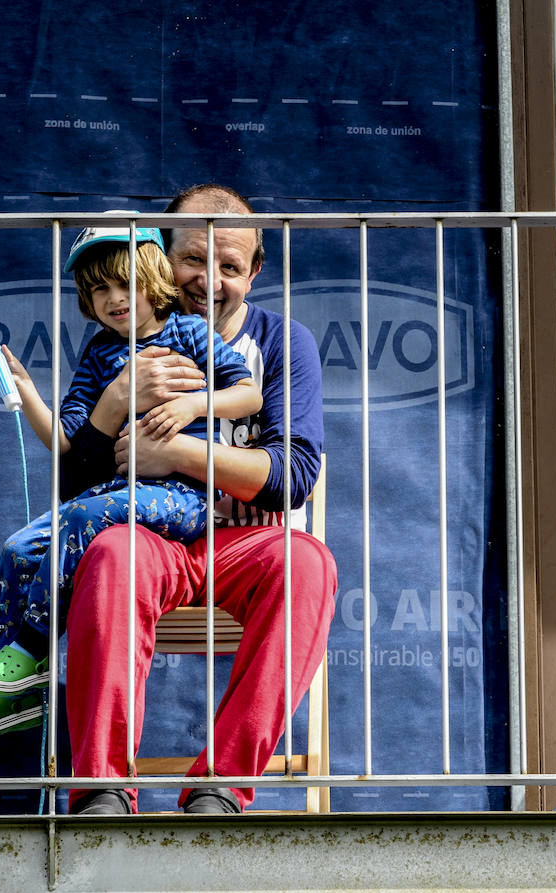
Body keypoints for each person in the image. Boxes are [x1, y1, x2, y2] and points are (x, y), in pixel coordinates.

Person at [62, 184, 337, 815]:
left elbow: (293, 474)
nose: (208, 280)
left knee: (308, 566)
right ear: (159, 254)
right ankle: (101, 789)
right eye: (192, 259)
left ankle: (220, 785)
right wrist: (111, 406)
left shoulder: (278, 342)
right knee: (107, 554)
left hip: (242, 544)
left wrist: (178, 453)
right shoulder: (117, 339)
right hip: (148, 536)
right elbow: (75, 481)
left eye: (230, 266)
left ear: (255, 271)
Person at [0, 220, 261, 743]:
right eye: (100, 289)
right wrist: (27, 392)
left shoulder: (187, 332)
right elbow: (68, 443)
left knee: (81, 514)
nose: (115, 299)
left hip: (181, 497)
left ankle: (29, 648)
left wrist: (191, 402)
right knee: (19, 547)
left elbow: (248, 394)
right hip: (119, 496)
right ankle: (16, 692)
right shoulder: (98, 355)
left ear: (154, 280)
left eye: (126, 283)